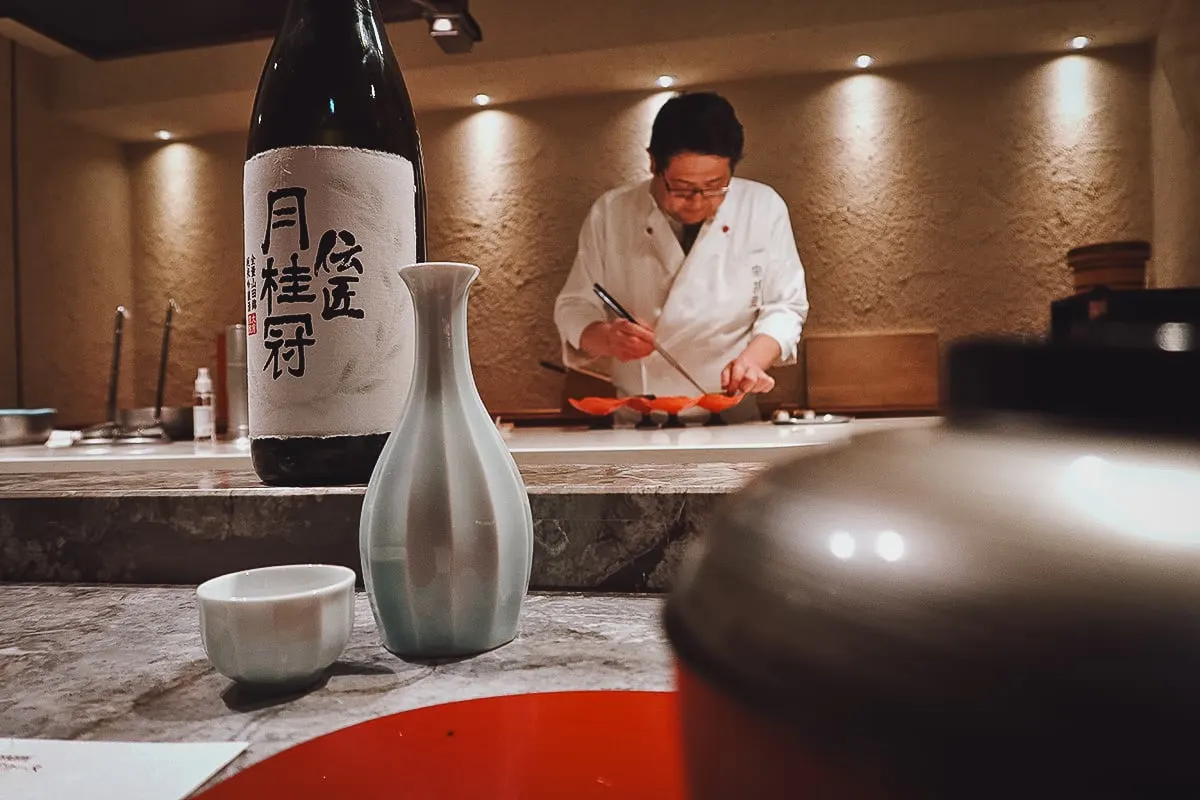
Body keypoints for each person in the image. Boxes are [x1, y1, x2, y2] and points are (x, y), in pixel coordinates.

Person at [553, 91, 809, 422]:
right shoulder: (612, 212)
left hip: (731, 413)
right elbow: (573, 306)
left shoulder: (762, 206)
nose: (698, 200)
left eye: (716, 186)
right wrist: (605, 337)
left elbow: (785, 306)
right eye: (682, 188)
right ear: (653, 164)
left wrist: (752, 361)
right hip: (641, 417)